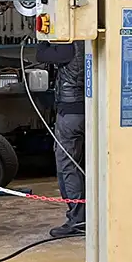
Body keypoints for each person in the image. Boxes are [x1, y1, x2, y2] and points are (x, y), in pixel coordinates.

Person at [36, 41, 86, 237]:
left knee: (68, 166)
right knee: (88, 166)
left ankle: (78, 220)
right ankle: (93, 215)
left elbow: (41, 55)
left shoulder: (69, 45)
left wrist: (45, 36)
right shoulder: (88, 41)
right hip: (90, 110)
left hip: (69, 112)